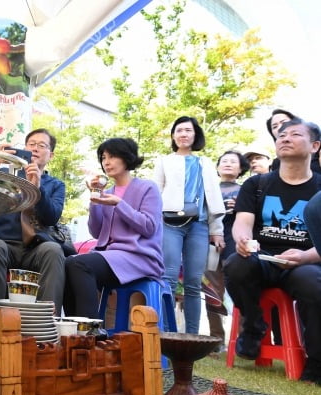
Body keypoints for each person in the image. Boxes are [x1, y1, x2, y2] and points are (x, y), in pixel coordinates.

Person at [224, 118, 321, 385]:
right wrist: (243, 241)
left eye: (295, 134)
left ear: (315, 145)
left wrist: (305, 256)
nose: (285, 138)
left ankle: (316, 363)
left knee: (312, 282)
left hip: (305, 261)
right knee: (236, 264)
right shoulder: (256, 185)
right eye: (281, 135)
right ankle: (253, 325)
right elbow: (243, 223)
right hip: (263, 259)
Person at [63, 138, 164, 318]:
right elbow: (96, 232)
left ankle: (88, 332)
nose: (107, 162)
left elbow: (149, 227)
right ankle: (74, 332)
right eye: (103, 158)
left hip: (139, 256)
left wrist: (119, 204)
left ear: (127, 157)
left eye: (112, 156)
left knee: (79, 264)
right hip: (109, 256)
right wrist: (94, 200)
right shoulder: (107, 193)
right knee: (68, 263)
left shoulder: (148, 188)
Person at [0, 129, 66, 316]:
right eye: (31, 144)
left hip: (37, 247)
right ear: (24, 148)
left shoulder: (56, 185)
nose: (35, 149)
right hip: (4, 244)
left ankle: (45, 323)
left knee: (54, 250)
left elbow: (52, 218)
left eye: (42, 146)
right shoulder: (5, 174)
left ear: (51, 155)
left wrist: (38, 187)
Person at [153, 116, 225, 334]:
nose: (183, 134)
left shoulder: (205, 162)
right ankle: (166, 333)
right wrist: (153, 224)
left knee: (194, 281)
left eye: (188, 130)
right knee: (169, 277)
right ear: (173, 136)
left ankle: (192, 336)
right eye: (179, 130)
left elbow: (212, 197)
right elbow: (156, 192)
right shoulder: (164, 160)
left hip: (199, 224)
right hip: (170, 222)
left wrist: (217, 231)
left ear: (196, 135)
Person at [204, 150, 249, 352]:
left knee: (239, 289)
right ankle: (215, 339)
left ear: (241, 169)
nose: (228, 164)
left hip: (235, 241)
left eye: (233, 161)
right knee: (212, 291)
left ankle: (242, 339)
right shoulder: (207, 188)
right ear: (218, 166)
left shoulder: (246, 190)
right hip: (210, 242)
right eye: (224, 161)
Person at [266, 108, 321, 173]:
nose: (280, 128)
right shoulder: (276, 163)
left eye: (284, 122)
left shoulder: (318, 149)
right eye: (275, 127)